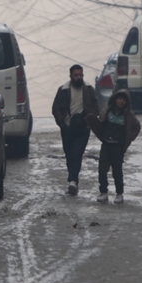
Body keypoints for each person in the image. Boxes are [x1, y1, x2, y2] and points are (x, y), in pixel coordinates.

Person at [52, 64, 99, 196]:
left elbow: (96, 107)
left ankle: (73, 181)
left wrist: (90, 123)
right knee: (69, 154)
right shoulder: (63, 90)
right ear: (71, 76)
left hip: (83, 128)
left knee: (77, 153)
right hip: (67, 128)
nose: (79, 77)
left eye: (81, 75)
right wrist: (62, 123)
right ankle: (73, 180)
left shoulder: (89, 89)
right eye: (76, 75)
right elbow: (56, 108)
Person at [87, 89, 141, 204]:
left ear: (126, 102)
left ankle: (119, 194)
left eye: (124, 100)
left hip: (118, 147)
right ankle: (103, 192)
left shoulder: (129, 115)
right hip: (106, 144)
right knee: (102, 170)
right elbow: (100, 122)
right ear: (115, 99)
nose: (121, 101)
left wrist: (129, 139)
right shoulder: (107, 111)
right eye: (119, 99)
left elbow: (137, 127)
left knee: (117, 171)